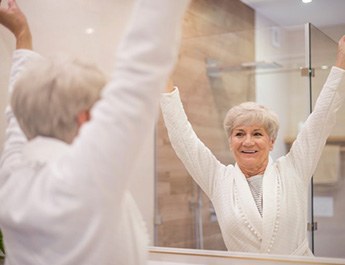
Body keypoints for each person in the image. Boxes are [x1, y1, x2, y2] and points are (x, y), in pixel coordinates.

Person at [0, 0, 190, 264]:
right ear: (86, 117)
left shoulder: (12, 175)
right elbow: (141, 67)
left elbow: (16, 116)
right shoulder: (86, 177)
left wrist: (22, 34)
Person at [160, 36, 345, 255]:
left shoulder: (293, 170)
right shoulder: (219, 180)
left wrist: (341, 62)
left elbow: (320, 122)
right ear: (230, 142)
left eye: (257, 133)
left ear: (271, 141)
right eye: (239, 134)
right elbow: (183, 139)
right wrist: (162, 68)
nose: (248, 141)